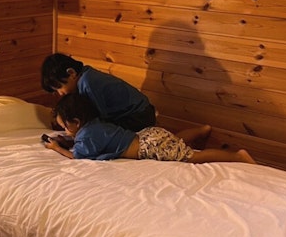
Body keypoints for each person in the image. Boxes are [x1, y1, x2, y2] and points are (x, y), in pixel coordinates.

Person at [45, 92, 255, 164]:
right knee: (174, 140)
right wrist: (69, 139)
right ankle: (201, 130)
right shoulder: (96, 123)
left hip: (148, 147)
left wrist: (57, 148)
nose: (65, 130)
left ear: (76, 122)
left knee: (189, 156)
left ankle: (237, 156)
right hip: (149, 134)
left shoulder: (86, 137)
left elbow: (77, 156)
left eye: (65, 127)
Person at [41, 53, 157, 132]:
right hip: (138, 112)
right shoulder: (85, 75)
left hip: (138, 116)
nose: (60, 93)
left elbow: (96, 118)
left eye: (60, 87)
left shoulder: (88, 82)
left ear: (71, 73)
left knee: (98, 133)